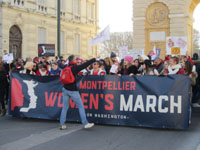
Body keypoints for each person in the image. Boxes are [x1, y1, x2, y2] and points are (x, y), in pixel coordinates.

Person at [60, 55, 96, 130]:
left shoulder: (66, 67)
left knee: (65, 107)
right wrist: (94, 59)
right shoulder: (75, 68)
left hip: (65, 89)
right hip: (73, 90)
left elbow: (60, 64)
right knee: (80, 106)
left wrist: (57, 61)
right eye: (76, 59)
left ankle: (62, 124)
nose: (77, 61)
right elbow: (85, 64)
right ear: (73, 61)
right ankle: (85, 123)